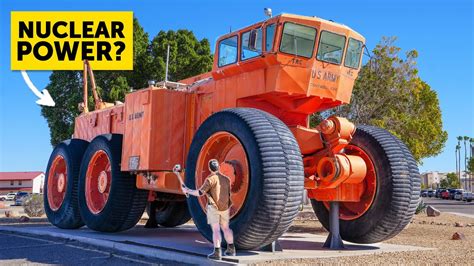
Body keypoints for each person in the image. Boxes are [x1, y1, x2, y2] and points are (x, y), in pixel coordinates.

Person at [182, 159, 235, 260]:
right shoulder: (226, 179)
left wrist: (187, 190)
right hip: (225, 207)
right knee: (226, 228)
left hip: (214, 208)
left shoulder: (210, 179)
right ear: (219, 167)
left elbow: (200, 193)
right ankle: (231, 249)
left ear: (210, 168)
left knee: (216, 230)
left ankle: (217, 253)